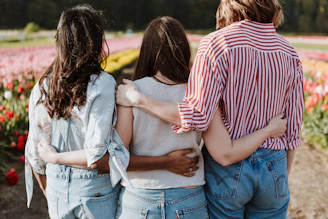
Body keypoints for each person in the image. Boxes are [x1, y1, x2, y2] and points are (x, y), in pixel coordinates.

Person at [116, 0, 305, 218]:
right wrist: (281, 178)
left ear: (230, 7)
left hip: (230, 169)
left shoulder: (216, 44)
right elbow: (293, 127)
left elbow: (197, 115)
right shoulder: (288, 51)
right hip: (275, 164)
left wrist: (139, 100)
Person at [25, 4, 130, 219]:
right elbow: (95, 154)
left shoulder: (43, 86)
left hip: (56, 189)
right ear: (95, 41)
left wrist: (51, 190)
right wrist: (57, 160)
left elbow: (36, 155)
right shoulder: (101, 83)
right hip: (94, 191)